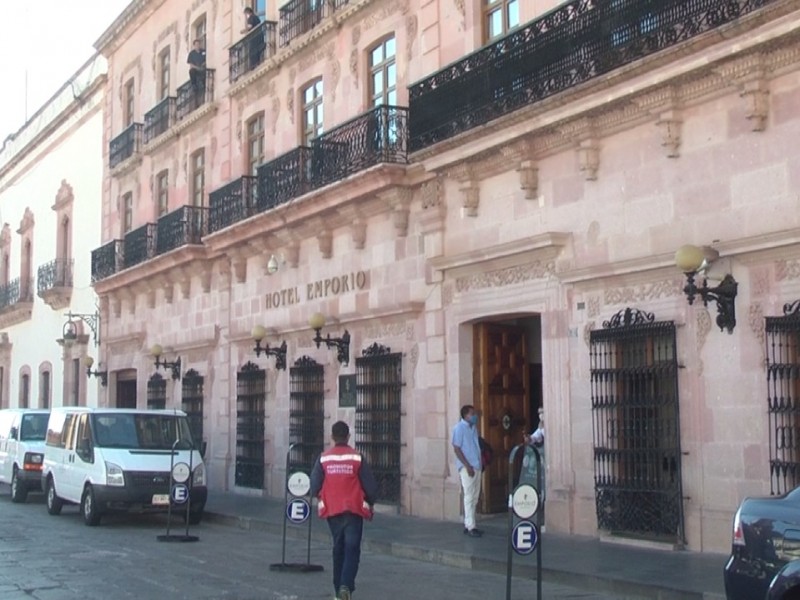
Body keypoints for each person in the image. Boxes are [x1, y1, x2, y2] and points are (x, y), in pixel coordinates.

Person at [310, 421, 378, 600]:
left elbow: (314, 485)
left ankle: (338, 588)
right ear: (348, 436)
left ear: (332, 437)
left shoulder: (323, 458)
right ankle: (345, 586)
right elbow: (370, 486)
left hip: (332, 510)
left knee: (338, 548)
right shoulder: (357, 457)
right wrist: (370, 502)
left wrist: (323, 495)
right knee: (352, 549)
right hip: (354, 509)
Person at [452, 404, 483, 537]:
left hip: (476, 465)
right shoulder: (459, 428)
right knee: (469, 495)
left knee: (475, 496)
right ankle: (471, 526)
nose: (475, 416)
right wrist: (467, 466)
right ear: (465, 415)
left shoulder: (473, 428)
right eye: (472, 413)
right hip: (467, 467)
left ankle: (469, 522)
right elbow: (457, 448)